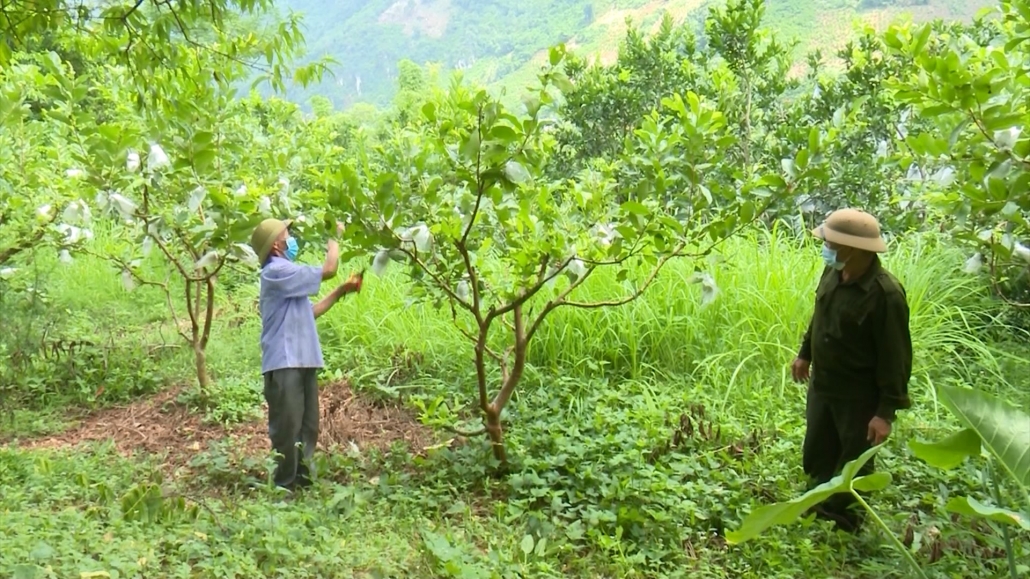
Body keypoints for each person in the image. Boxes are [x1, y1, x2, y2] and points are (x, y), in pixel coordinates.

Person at [790, 208, 913, 533]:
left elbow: (896, 357)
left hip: (859, 396)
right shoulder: (833, 272)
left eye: (830, 242)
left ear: (854, 248)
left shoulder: (885, 295)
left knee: (853, 459)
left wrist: (885, 413)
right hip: (824, 383)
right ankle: (816, 503)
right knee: (818, 446)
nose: (825, 247)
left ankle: (843, 522)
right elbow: (821, 316)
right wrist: (805, 354)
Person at [249, 218, 363, 491]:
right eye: (287, 235)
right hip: (284, 361)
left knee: (308, 424)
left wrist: (341, 291)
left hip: (303, 358)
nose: (292, 239)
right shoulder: (275, 272)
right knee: (287, 427)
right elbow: (329, 269)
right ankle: (284, 486)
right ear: (276, 245)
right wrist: (334, 236)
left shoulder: (287, 275)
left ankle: (302, 480)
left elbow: (309, 311)